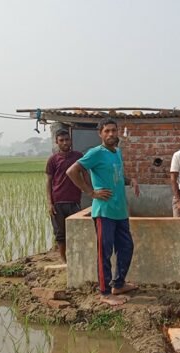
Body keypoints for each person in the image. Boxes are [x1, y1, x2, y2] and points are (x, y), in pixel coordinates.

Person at [66, 118, 140, 306]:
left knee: (126, 247)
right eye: (106, 131)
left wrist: (130, 180)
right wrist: (90, 192)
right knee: (104, 252)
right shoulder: (95, 153)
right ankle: (105, 293)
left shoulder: (117, 152)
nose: (110, 134)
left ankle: (118, 284)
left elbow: (117, 176)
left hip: (120, 210)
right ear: (100, 133)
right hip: (104, 212)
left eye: (113, 131)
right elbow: (72, 171)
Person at [46, 129, 84, 263]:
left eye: (67, 140)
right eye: (61, 140)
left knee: (77, 232)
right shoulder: (53, 160)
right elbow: (49, 182)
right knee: (60, 234)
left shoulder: (79, 156)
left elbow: (85, 175)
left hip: (74, 202)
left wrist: (90, 190)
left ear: (70, 141)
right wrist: (50, 203)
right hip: (58, 202)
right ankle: (64, 260)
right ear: (57, 142)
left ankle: (76, 258)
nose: (65, 143)